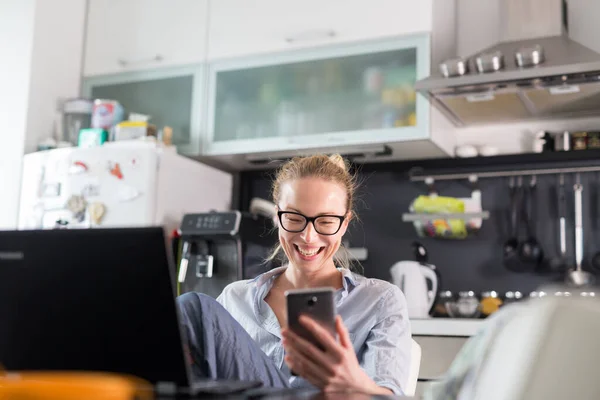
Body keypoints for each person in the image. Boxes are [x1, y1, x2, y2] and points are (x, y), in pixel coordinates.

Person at [177, 154, 411, 395]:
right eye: (294, 218)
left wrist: (351, 382)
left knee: (194, 306)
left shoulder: (380, 300)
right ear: (278, 217)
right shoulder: (236, 297)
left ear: (344, 222)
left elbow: (389, 395)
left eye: (326, 221)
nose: (308, 237)